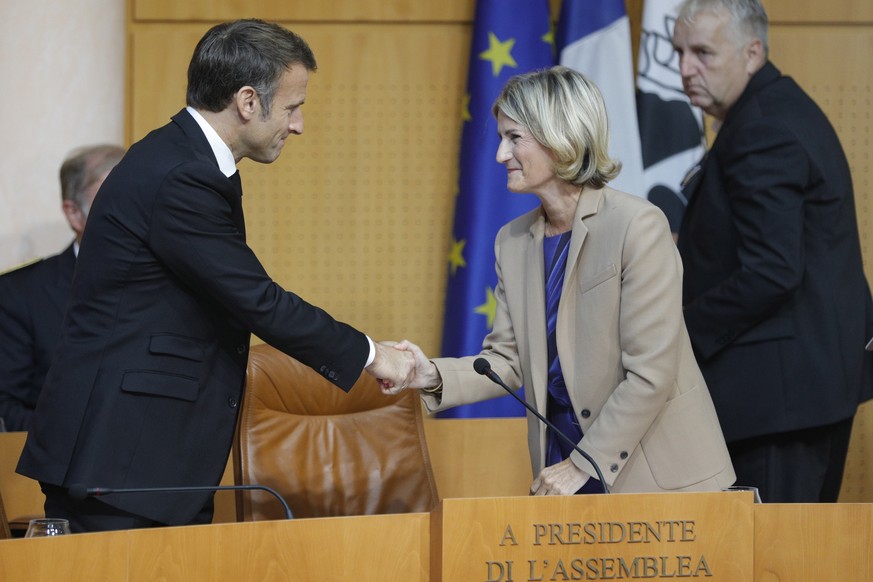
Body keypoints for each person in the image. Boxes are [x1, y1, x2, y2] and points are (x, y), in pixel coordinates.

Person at [16, 19, 413, 533]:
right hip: (122, 458)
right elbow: (255, 300)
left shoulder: (182, 157)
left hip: (143, 461)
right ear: (248, 101)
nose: (298, 126)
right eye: (293, 107)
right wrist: (372, 354)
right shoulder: (181, 173)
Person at [385, 66, 735, 496]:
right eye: (501, 138)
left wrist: (582, 463)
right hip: (563, 463)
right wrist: (430, 374)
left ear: (559, 136)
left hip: (657, 475)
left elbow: (651, 372)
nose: (500, 155)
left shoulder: (637, 225)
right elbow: (507, 361)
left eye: (514, 138)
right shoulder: (511, 242)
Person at [672, 0, 873, 502]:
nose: (684, 69)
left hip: (778, 403)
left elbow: (772, 271)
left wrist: (675, 336)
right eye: (679, 52)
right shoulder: (768, 112)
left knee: (770, 565)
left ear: (752, 53)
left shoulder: (762, 128)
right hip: (793, 393)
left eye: (702, 53)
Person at [0, 144, 124, 432]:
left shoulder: (176, 284)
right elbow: (5, 409)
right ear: (74, 213)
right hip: (59, 467)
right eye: (114, 199)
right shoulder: (20, 295)